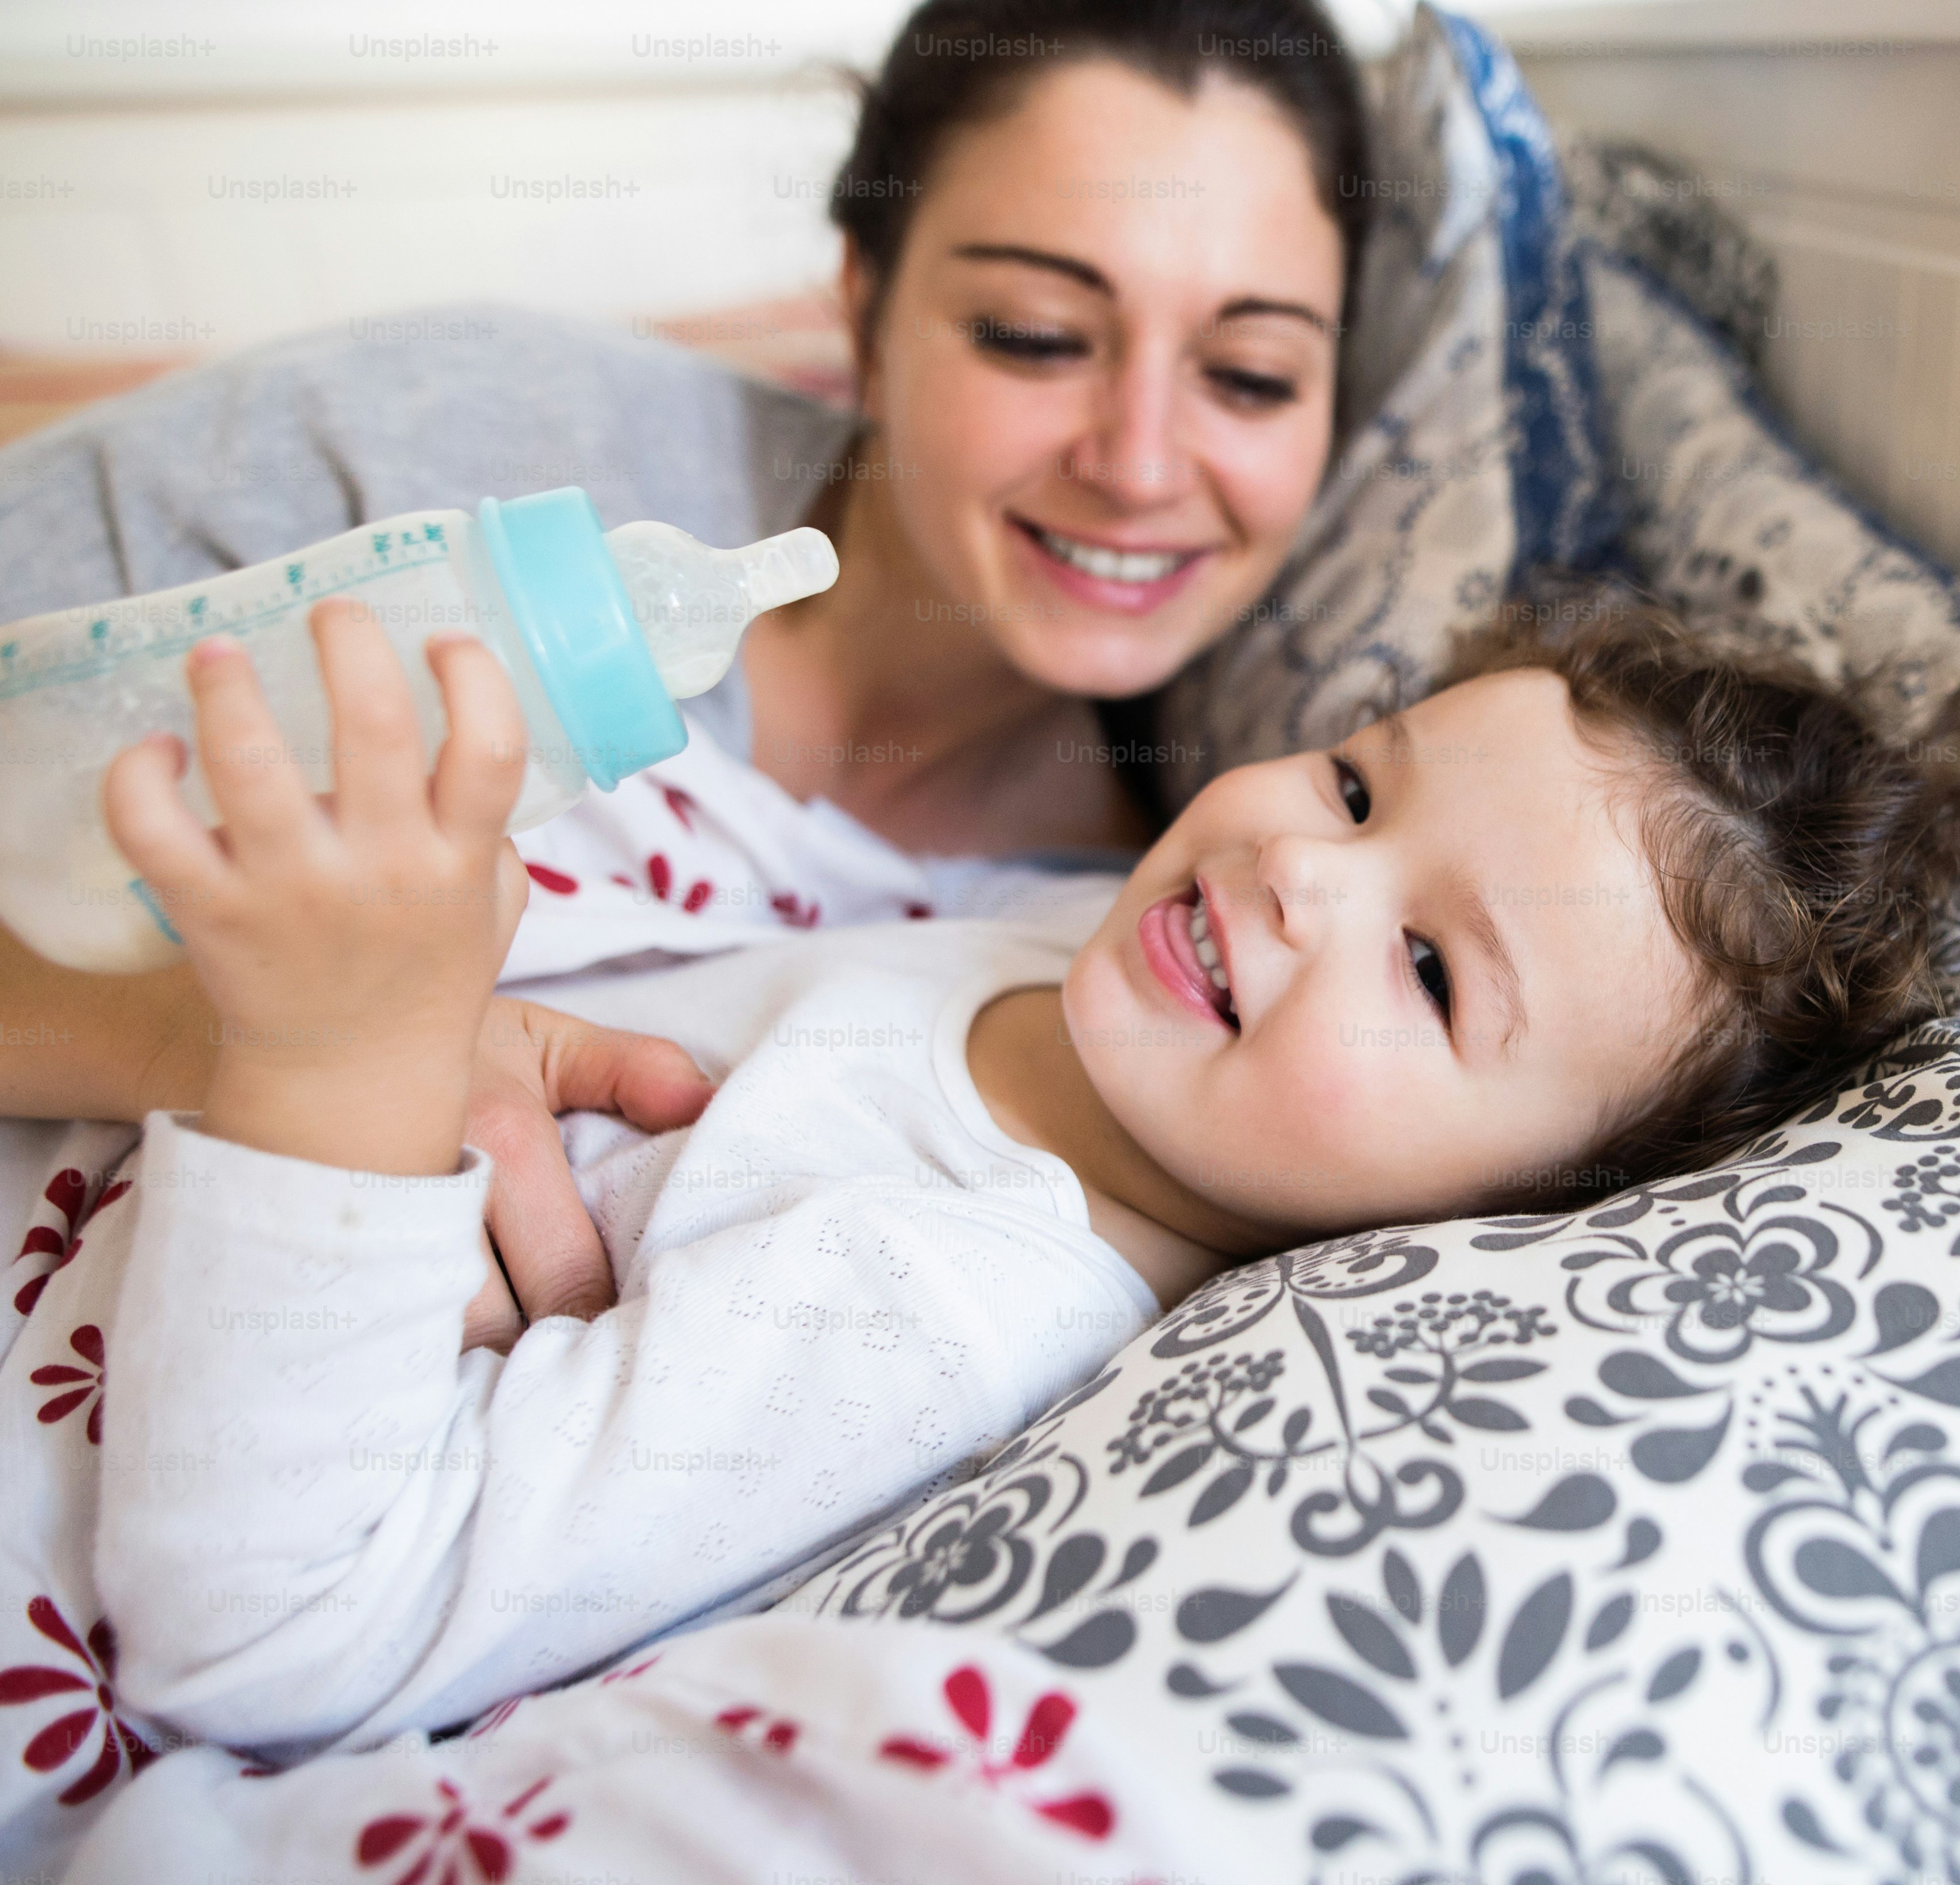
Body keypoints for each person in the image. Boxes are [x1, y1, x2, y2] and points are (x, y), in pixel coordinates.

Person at [0, 588, 1960, 1857]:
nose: (1301, 875)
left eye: (1427, 976)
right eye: (1354, 782)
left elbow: (268, 1638)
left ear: (1494, 1220)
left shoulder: (927, 1306)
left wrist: (344, 1069)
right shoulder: (1086, 945)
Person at [0, 0, 1374, 1343]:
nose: (1138, 466)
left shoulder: (1175, 958)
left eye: (1251, 374)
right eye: (1034, 334)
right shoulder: (467, 460)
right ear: (865, 304)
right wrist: (285, 1046)